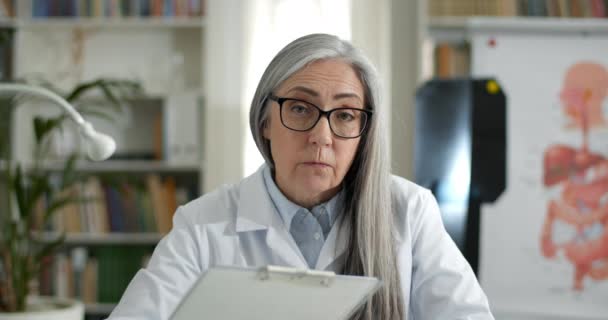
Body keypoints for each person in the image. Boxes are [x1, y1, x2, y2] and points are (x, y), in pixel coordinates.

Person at [107, 33, 494, 320]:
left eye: (344, 115)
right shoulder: (202, 224)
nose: (321, 137)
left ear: (364, 134)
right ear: (265, 123)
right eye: (299, 109)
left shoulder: (409, 211)